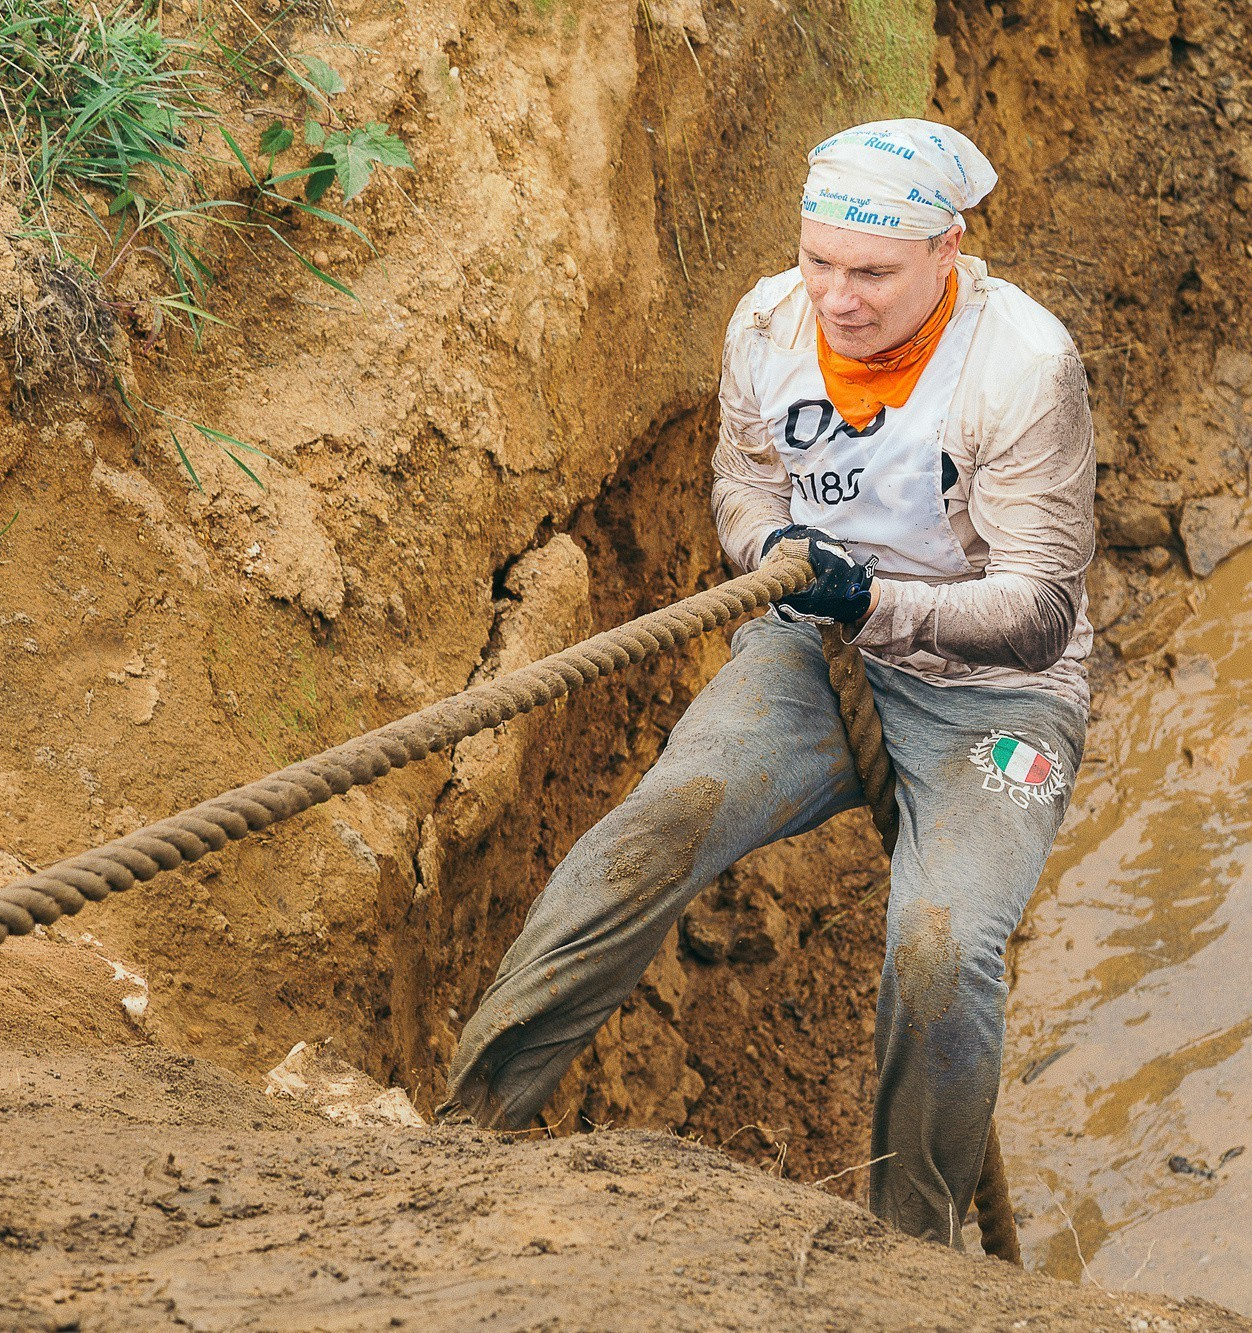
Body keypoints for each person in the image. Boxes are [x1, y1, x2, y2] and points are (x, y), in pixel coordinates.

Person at [440, 119, 1096, 1249]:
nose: (838, 299)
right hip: (812, 652)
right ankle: (467, 1124)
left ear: (949, 251)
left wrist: (872, 601)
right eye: (820, 263)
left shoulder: (1025, 369)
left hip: (994, 702)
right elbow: (739, 486)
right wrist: (773, 550)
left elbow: (1037, 612)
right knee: (659, 820)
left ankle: (912, 1256)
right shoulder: (766, 321)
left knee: (940, 946)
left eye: (873, 273)